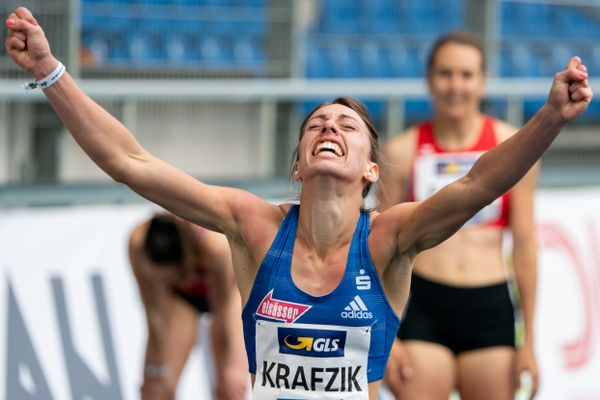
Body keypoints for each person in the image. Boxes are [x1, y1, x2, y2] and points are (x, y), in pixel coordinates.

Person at [5, 7, 592, 399]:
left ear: (370, 168)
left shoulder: (388, 238)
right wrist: (50, 72)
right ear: (297, 164)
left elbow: (478, 185)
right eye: (315, 123)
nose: (328, 127)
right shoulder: (253, 226)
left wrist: (549, 118)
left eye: (346, 124)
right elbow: (130, 163)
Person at [379, 32, 539, 399]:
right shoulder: (402, 152)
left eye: (466, 75)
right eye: (445, 73)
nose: (456, 85)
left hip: (489, 308)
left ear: (482, 81)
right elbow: (380, 248)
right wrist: (382, 334)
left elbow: (527, 245)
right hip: (422, 309)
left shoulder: (511, 147)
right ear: (429, 79)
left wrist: (529, 342)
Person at [128, 213, 249, 400]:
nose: (179, 282)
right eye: (163, 280)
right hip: (178, 301)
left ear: (188, 262)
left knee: (231, 382)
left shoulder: (215, 247)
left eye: (175, 277)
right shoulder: (138, 243)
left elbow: (222, 312)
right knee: (155, 389)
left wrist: (228, 368)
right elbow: (154, 314)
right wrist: (157, 369)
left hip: (226, 295)